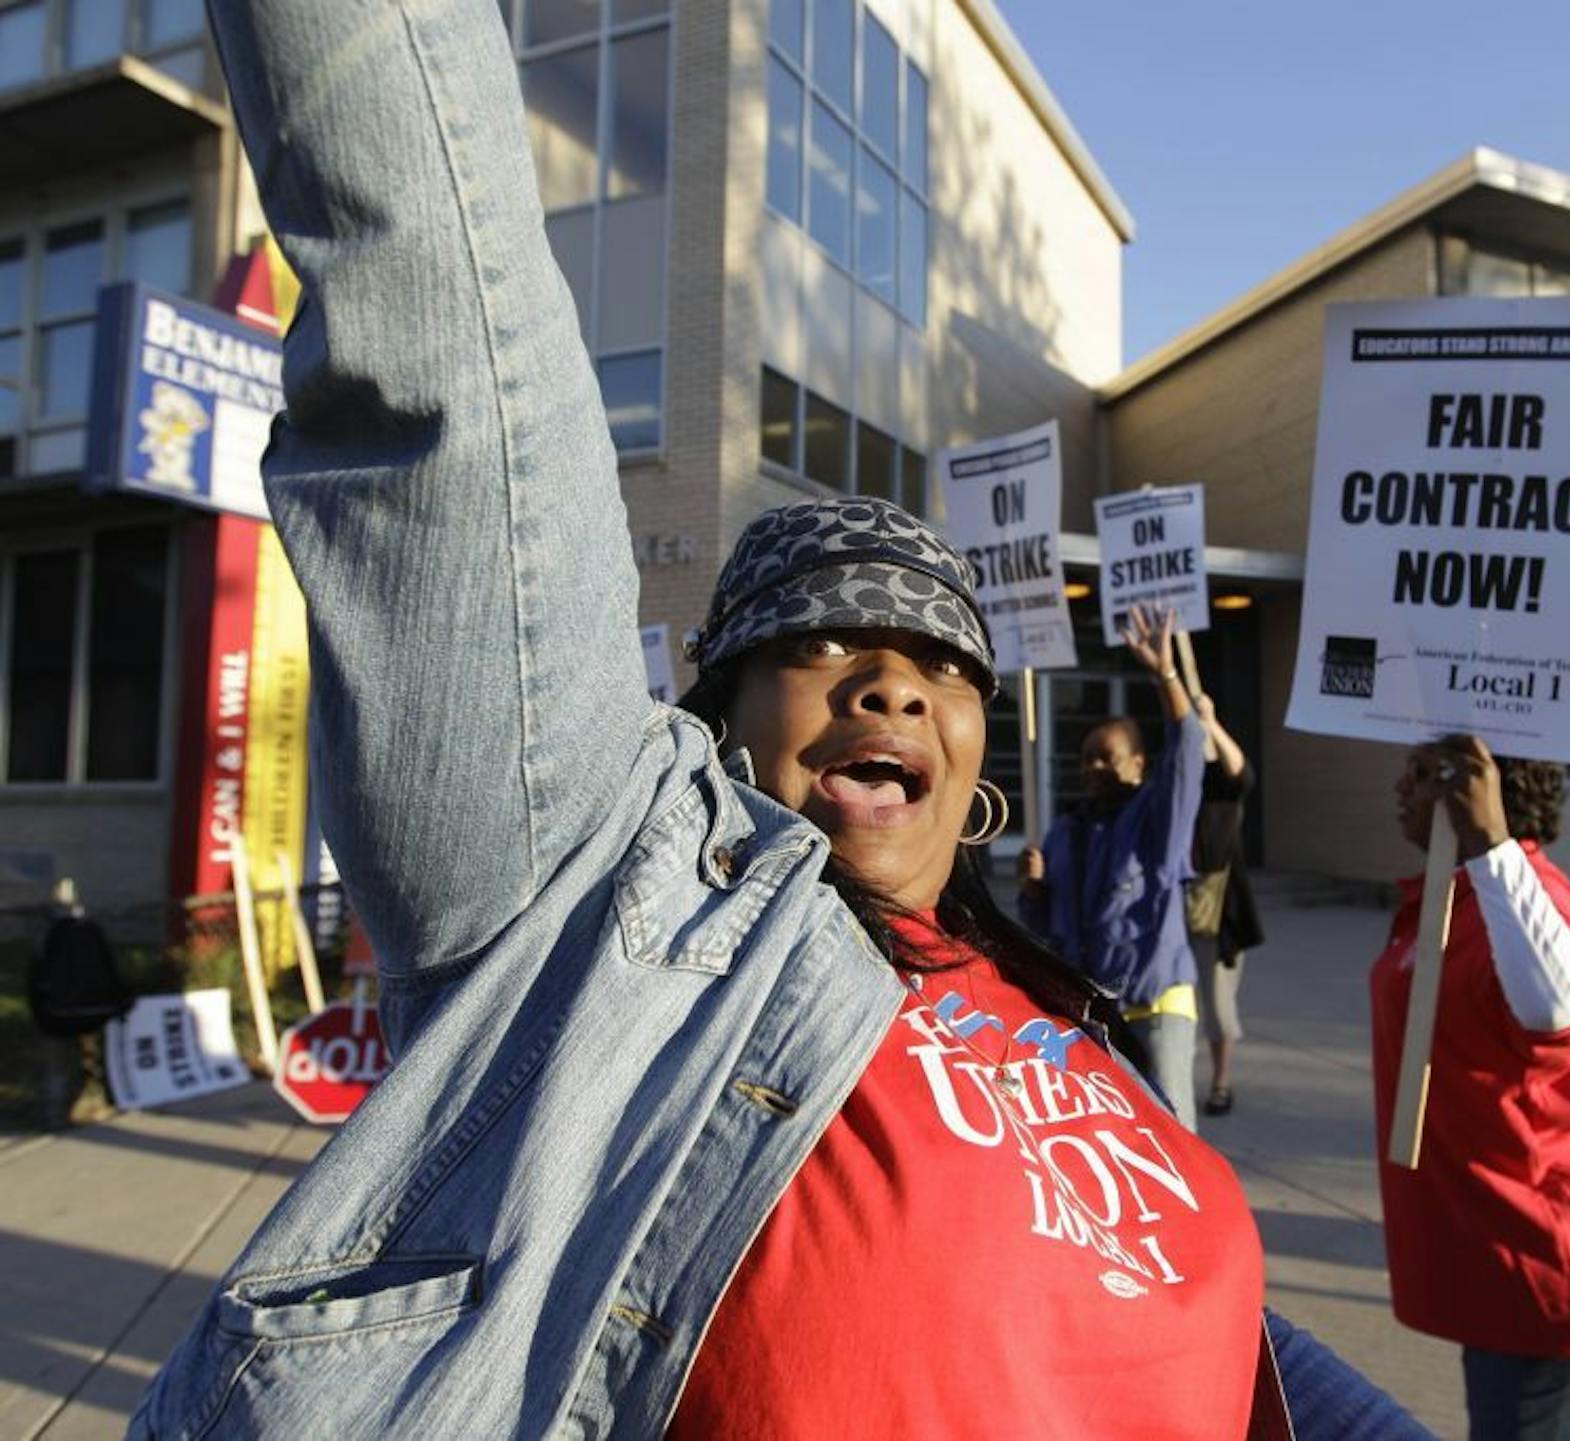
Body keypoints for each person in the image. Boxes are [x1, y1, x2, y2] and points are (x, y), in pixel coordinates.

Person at [134, 4, 1426, 1436]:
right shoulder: (600, 927)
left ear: (976, 759)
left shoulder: (1051, 1004)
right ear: (713, 721)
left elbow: (1201, 1308)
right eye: (819, 648)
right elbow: (439, 347)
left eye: (938, 670)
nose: (890, 688)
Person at [1370, 737, 1570, 1441]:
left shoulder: (1526, 894)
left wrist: (1491, 844)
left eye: (1424, 775)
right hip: (1494, 1250)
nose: (1402, 787)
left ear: (1481, 790)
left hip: (1545, 1256)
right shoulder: (1457, 891)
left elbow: (1555, 1013)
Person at [1020, 607, 1206, 1127]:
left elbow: (1188, 751)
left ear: (1138, 764)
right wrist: (1033, 890)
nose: (1094, 769)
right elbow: (1044, 934)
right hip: (1090, 1017)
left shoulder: (1156, 820)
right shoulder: (1065, 833)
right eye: (1085, 760)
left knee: (1169, 1131)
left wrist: (1165, 674)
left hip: (1154, 1008)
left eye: (1107, 757)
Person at [1185, 692, 1265, 1117]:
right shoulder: (1179, 789)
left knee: (1217, 1003)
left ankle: (1221, 1082)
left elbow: (1243, 775)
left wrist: (1210, 721)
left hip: (1218, 912)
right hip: (1175, 909)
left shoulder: (1222, 793)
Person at [27, 877, 128, 1131]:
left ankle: (54, 1115)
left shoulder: (47, 933)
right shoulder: (92, 930)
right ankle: (93, 1101)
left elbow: (37, 974)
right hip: (95, 1009)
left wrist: (39, 1010)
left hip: (56, 1013)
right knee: (93, 1060)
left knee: (57, 1064)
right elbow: (110, 970)